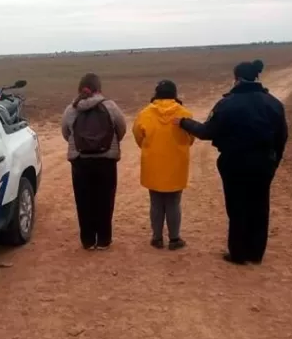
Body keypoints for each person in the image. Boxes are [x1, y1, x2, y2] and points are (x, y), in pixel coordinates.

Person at [175, 59, 288, 265]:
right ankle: (255, 253)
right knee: (260, 206)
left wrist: (184, 122)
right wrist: (274, 163)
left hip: (234, 162)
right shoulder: (274, 103)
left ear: (236, 79)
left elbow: (207, 132)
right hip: (263, 163)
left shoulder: (226, 104)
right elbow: (282, 137)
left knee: (237, 207)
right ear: (256, 77)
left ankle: (238, 253)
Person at [61, 73, 127, 250]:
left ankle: (88, 240)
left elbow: (66, 133)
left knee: (83, 201)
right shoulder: (110, 106)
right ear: (99, 88)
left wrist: (79, 145)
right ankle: (104, 239)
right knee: (105, 200)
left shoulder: (71, 109)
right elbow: (121, 129)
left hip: (80, 161)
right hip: (106, 160)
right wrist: (110, 143)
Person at [133, 80, 194, 250]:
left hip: (153, 165)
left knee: (156, 202)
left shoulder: (144, 114)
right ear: (175, 94)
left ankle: (157, 238)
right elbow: (191, 138)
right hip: (176, 166)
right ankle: (174, 239)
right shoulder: (184, 113)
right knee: (174, 203)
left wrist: (148, 148)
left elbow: (138, 136)